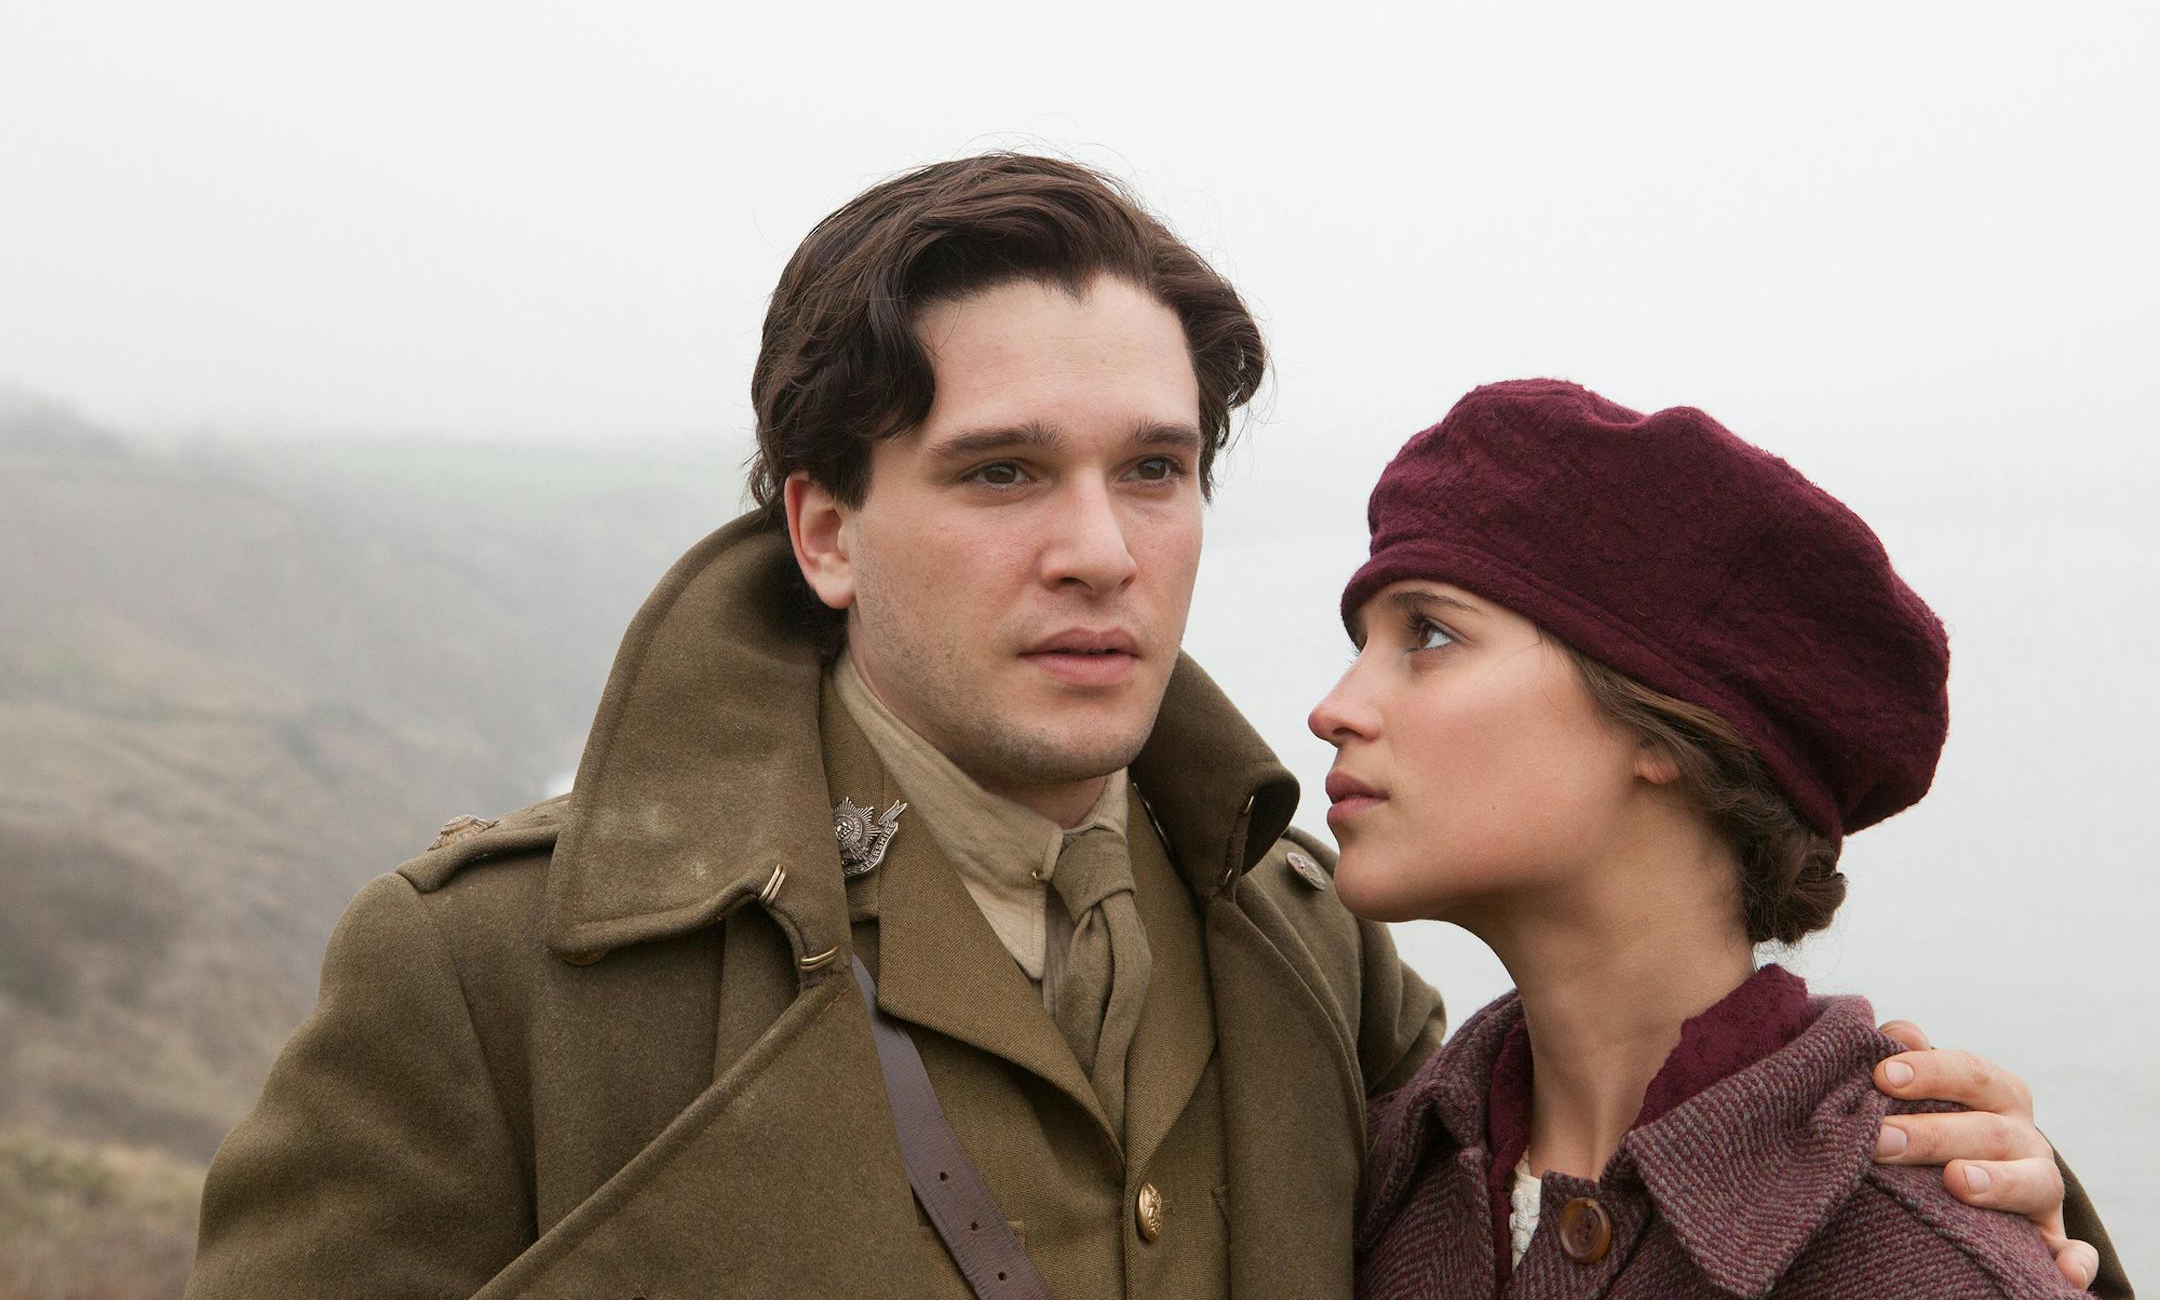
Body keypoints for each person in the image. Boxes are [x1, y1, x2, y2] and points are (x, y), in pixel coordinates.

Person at [185, 156, 2119, 1299]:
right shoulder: (487, 978)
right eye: (1007, 470)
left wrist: (2016, 1218)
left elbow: (1662, 1174)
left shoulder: (1316, 958)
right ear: (829, 526)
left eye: (1161, 469)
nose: (1103, 551)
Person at [1324, 379, 2131, 1296]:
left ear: (1663, 728)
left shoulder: (1931, 1266)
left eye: (1427, 634)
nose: (1334, 707)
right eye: (1359, 645)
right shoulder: (1362, 1182)